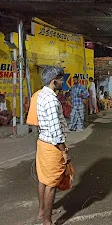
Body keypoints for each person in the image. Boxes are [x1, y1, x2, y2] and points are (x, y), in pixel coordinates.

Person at [36, 66, 71, 225]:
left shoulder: (41, 94)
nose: (62, 82)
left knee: (43, 179)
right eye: (61, 79)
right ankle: (47, 221)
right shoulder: (51, 100)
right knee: (51, 184)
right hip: (52, 146)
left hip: (43, 142)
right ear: (53, 80)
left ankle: (42, 212)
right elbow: (56, 132)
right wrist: (64, 151)